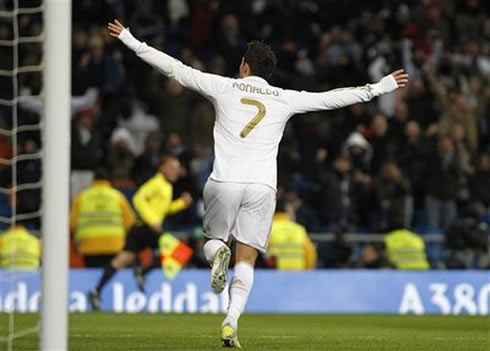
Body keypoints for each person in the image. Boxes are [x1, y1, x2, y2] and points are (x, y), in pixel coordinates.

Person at [107, 19, 408, 347]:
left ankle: (218, 252)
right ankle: (231, 321)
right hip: (262, 188)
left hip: (224, 181)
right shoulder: (284, 98)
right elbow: (331, 98)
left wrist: (130, 39)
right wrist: (379, 88)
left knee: (213, 241)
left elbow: (173, 68)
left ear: (243, 66)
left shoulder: (222, 86)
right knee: (247, 259)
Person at [88, 154, 192, 310]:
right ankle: (143, 272)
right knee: (180, 253)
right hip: (146, 228)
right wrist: (152, 221)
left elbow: (164, 209)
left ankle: (96, 290)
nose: (175, 171)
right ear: (162, 168)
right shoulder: (156, 183)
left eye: (177, 169)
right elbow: (138, 198)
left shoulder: (167, 186)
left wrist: (181, 204)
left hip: (142, 229)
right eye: (171, 168)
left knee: (122, 260)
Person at [70, 167, 135, 268]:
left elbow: (72, 223)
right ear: (109, 180)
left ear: (93, 180)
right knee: (111, 278)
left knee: (94, 279)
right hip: (115, 245)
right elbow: (130, 222)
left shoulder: (81, 197)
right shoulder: (118, 196)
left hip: (89, 246)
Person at [267, 200, 316, 270]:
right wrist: (307, 274)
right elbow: (310, 254)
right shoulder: (299, 229)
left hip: (273, 276)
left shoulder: (268, 229)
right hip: (298, 275)